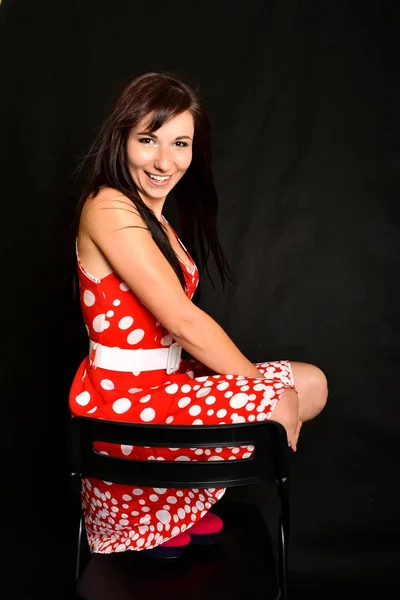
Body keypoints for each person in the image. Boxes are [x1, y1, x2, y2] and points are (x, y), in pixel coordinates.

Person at [69, 71, 328, 558]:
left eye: (180, 143)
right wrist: (262, 392)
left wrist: (273, 394)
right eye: (148, 139)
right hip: (123, 401)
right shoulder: (108, 207)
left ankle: (173, 502)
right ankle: (146, 518)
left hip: (167, 385)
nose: (165, 161)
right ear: (122, 137)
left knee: (310, 384)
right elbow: (184, 322)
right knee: (277, 403)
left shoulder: (154, 215)